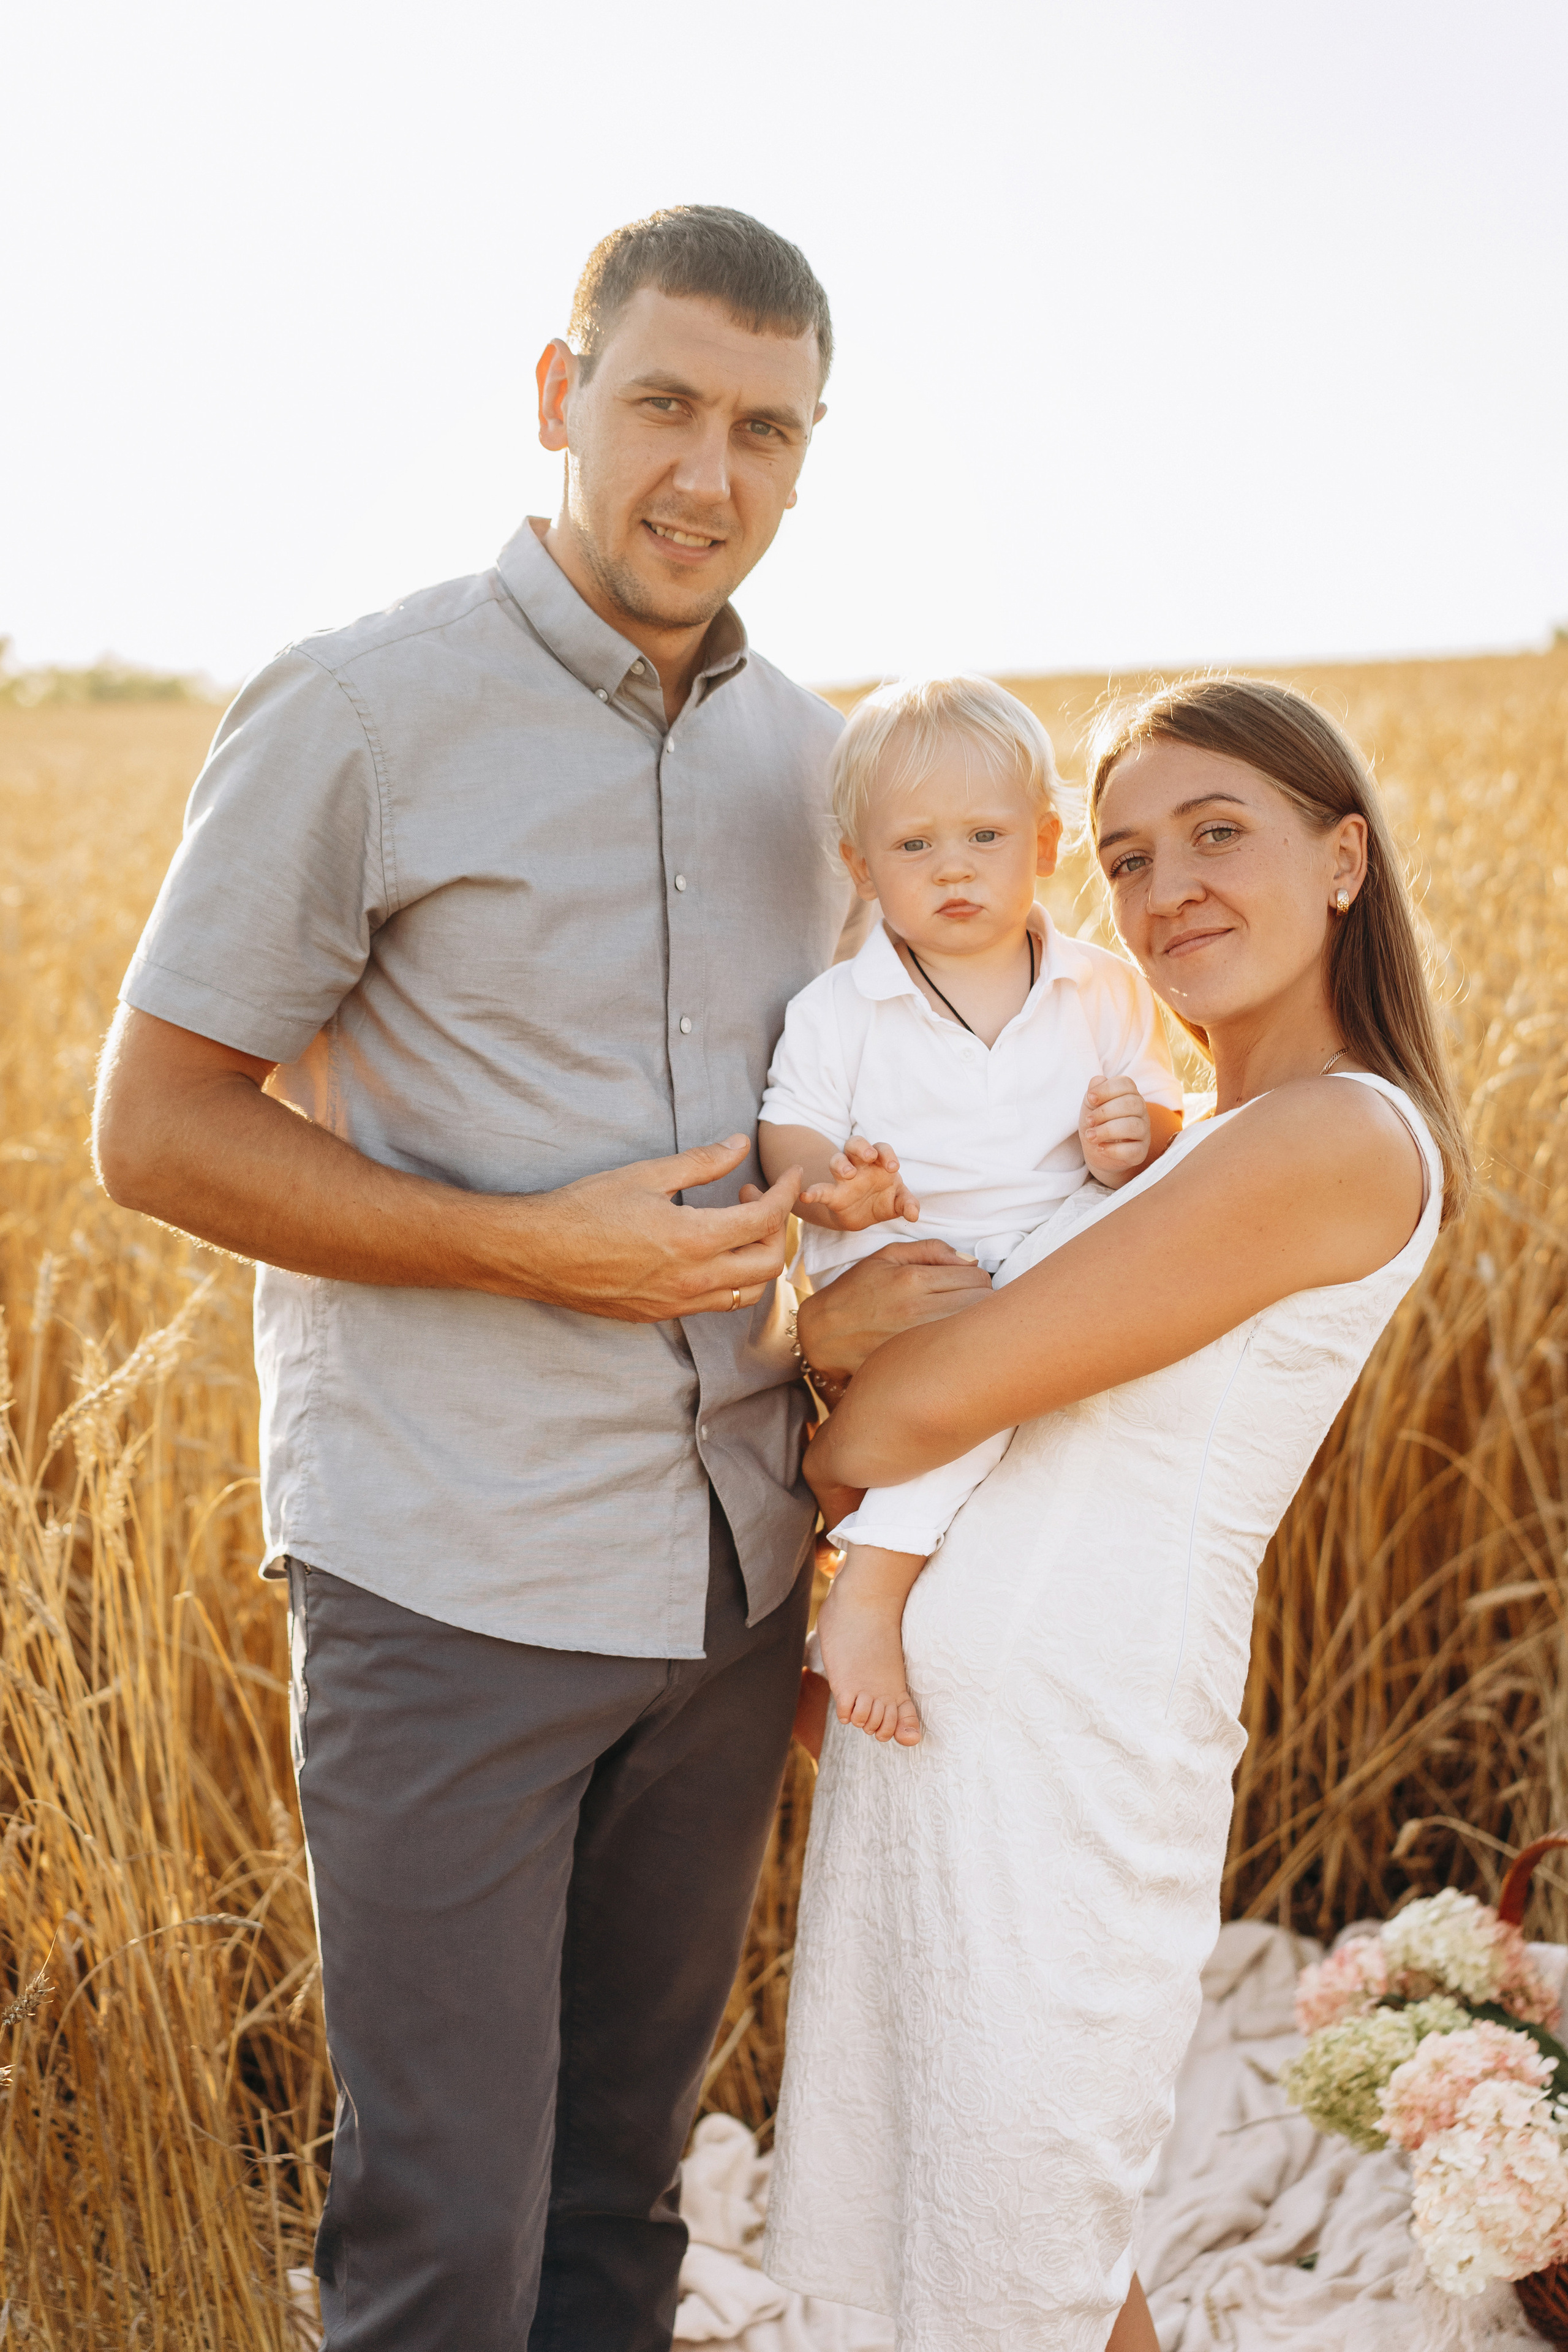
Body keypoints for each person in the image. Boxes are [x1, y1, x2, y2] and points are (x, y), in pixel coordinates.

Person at [91, 204, 991, 2352]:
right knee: (444, 2242)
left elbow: (854, 1109)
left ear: (811, 449)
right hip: (450, 1583)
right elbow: (158, 1125)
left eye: (767, 428)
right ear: (555, 392)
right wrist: (532, 1253)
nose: (711, 472)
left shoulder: (823, 771)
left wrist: (855, 1292)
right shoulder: (360, 710)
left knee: (622, 2219)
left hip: (731, 1583)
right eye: (664, 402)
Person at [763, 676, 1473, 2352]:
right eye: (1131, 858)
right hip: (959, 1716)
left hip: (1080, 1723)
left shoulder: (1333, 1137)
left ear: (1345, 858)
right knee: (943, 2201)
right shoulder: (1175, 1139)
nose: (1169, 896)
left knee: (1029, 2224)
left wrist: (827, 1407)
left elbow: (928, 1399)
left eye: (1219, 836)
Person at [758, 674, 1182, 1746]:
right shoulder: (838, 1010)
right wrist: (830, 1190)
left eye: (984, 836)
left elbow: (1164, 1113)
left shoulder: (1103, 990)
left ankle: (868, 1563)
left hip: (1055, 1259)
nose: (952, 866)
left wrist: (1135, 1137)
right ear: (860, 868)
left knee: (1042, 1393)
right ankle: (865, 1598)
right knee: (965, 1388)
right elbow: (791, 1130)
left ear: (1044, 846)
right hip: (916, 1271)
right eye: (913, 847)